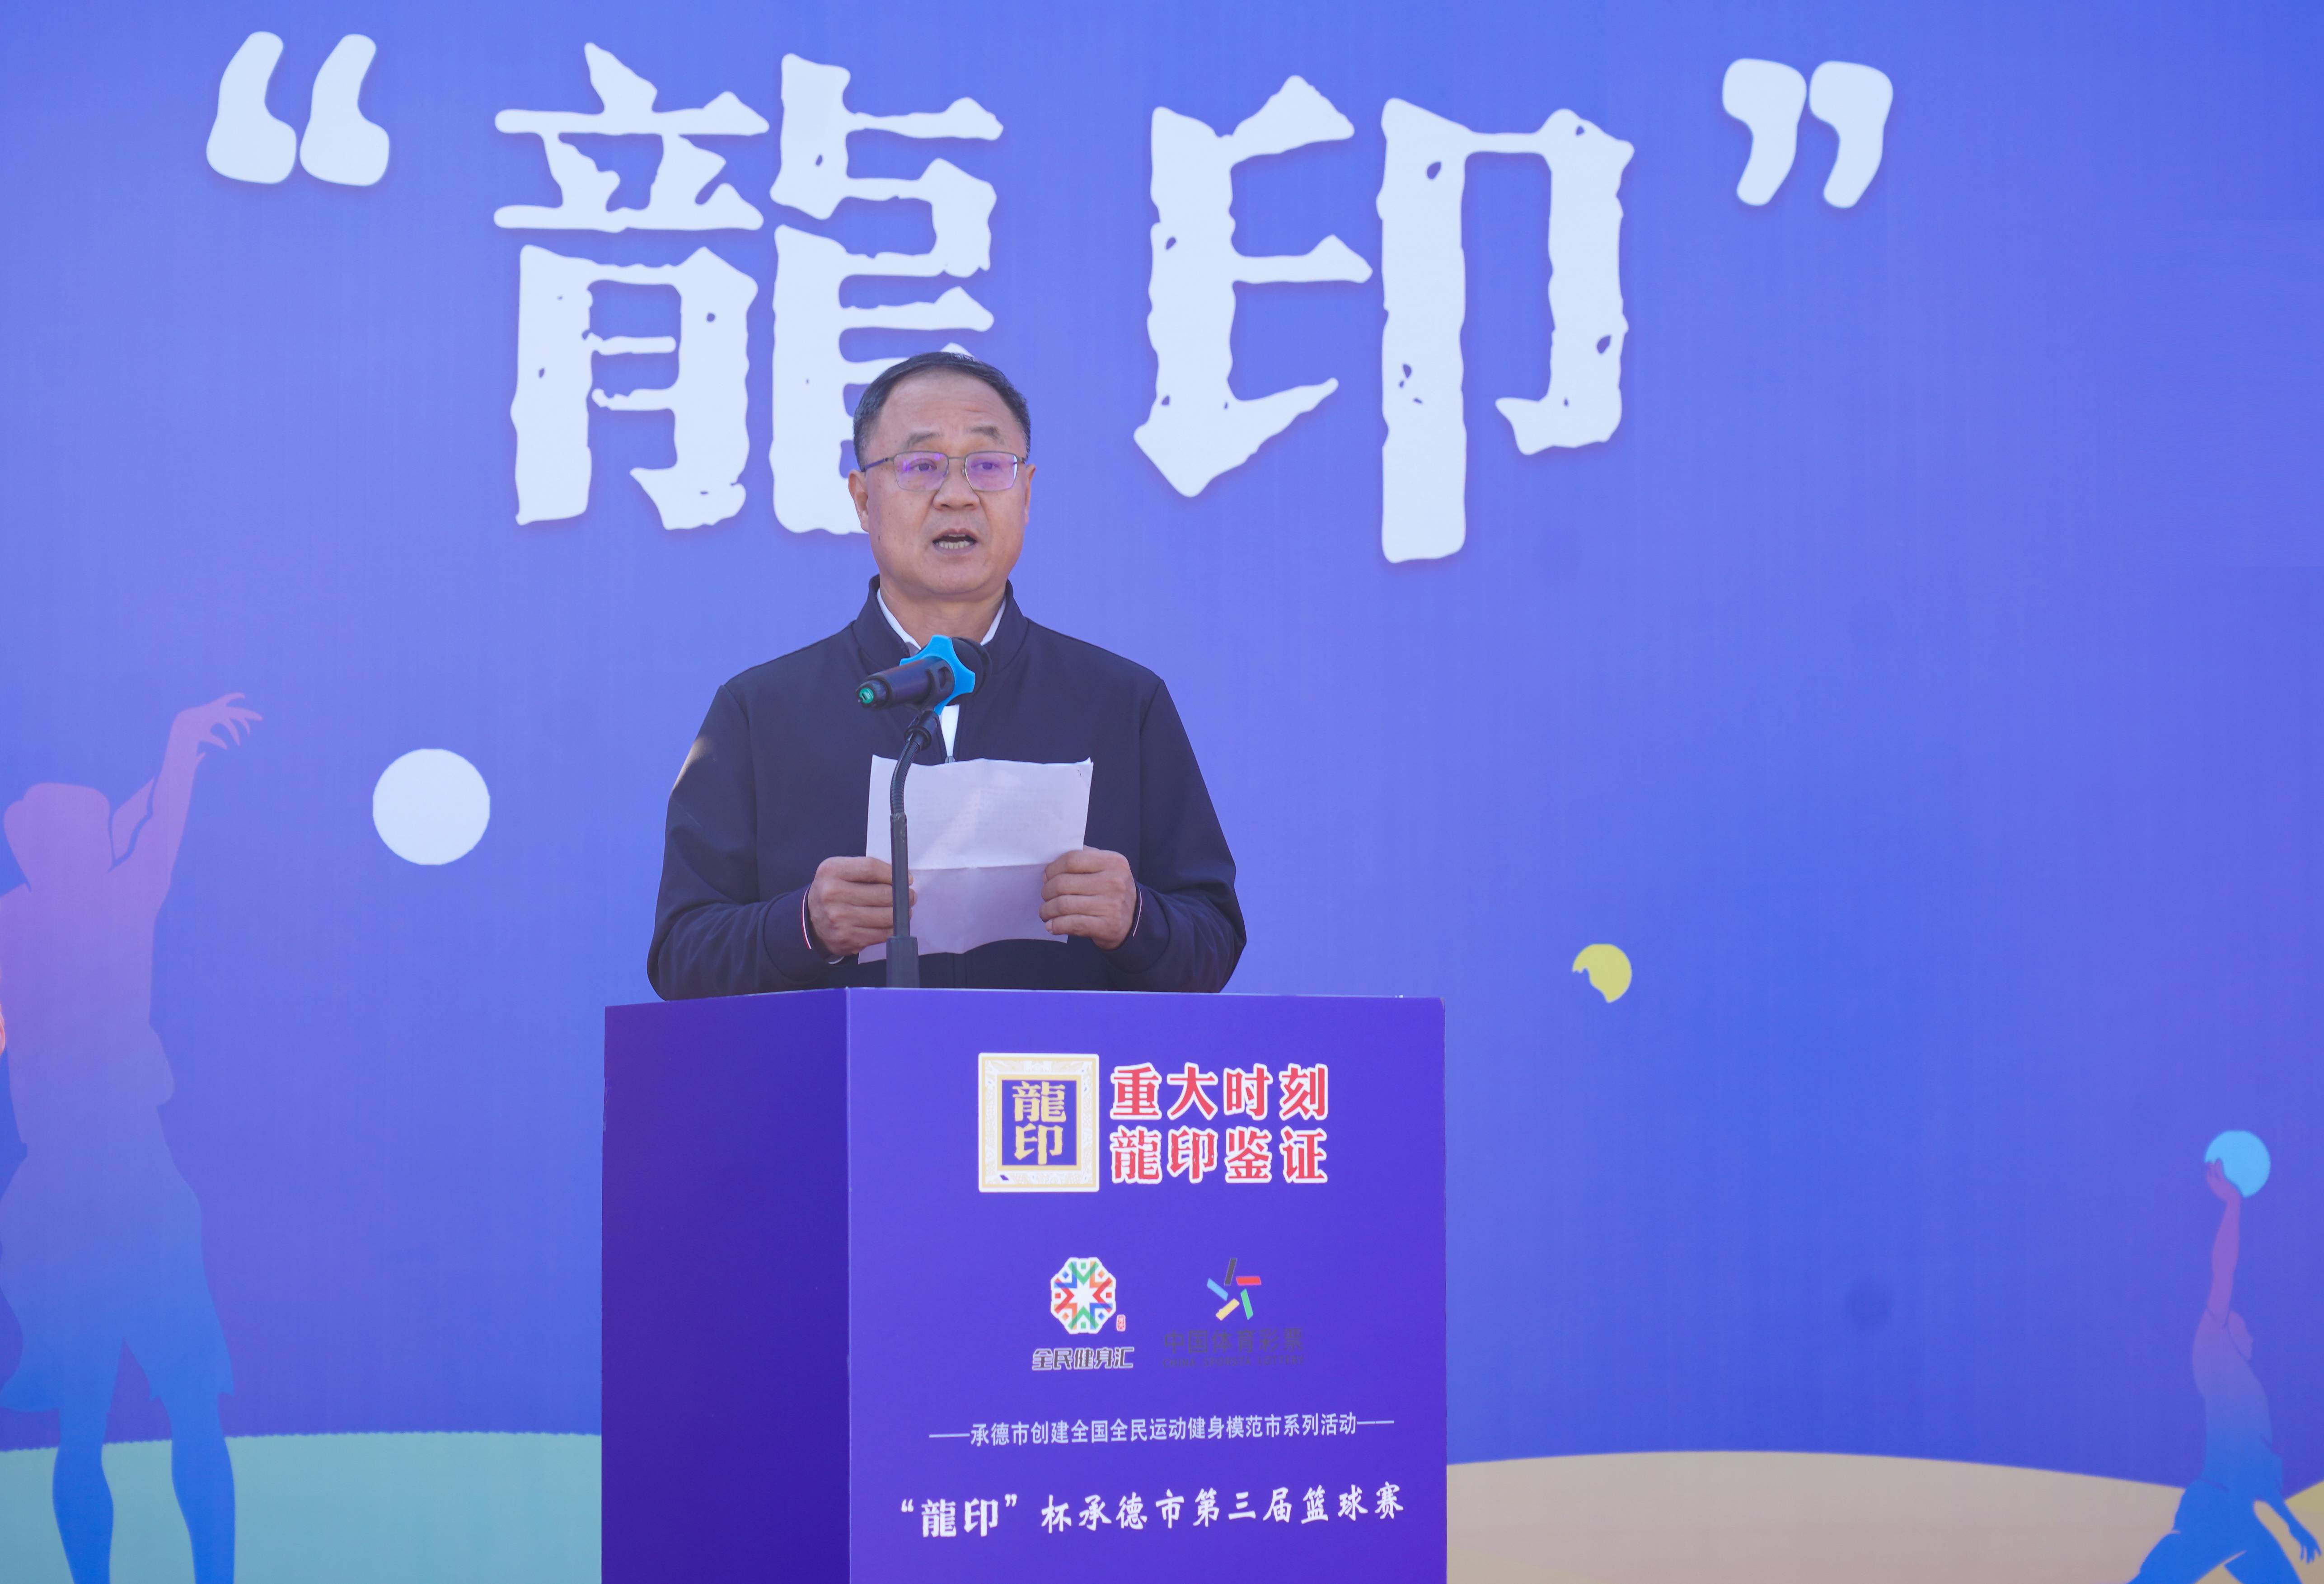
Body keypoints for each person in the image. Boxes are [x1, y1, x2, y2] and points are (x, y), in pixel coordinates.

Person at [649, 351, 1243, 996]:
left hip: (1053, 1064)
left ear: (1026, 493)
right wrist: (804, 926)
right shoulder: (761, 712)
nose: (957, 494)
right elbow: (682, 956)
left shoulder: (1123, 703)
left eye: (988, 465)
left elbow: (1212, 940)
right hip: (842, 1064)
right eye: (921, 465)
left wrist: (1136, 920)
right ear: (862, 499)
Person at [0, 693, 259, 1584]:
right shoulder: (121, 901)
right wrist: (179, 751)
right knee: (192, 1411)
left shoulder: (13, 922)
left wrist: (170, 765)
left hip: (62, 1193)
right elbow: (151, 830)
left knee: (81, 1427)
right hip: (134, 1182)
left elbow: (132, 828)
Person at [2124, 1159, 2319, 1584]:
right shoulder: (2216, 1357)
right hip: (2213, 1510)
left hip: (2239, 1517)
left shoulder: (2251, 1395)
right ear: (2226, 1331)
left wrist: (2292, 1525)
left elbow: (2260, 1477)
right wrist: (2233, 1206)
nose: (2252, 1334)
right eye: (2241, 1325)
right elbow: (2223, 1273)